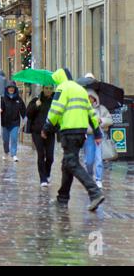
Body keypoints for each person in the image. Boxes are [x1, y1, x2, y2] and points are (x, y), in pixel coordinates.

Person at [42, 68, 105, 212]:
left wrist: (47, 127)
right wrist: (97, 133)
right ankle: (62, 198)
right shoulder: (81, 89)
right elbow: (91, 113)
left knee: (72, 163)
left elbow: (56, 110)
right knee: (67, 164)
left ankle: (95, 193)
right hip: (81, 132)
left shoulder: (62, 88)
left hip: (69, 131)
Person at [26, 85, 55, 186]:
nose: (48, 90)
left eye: (50, 88)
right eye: (46, 88)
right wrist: (35, 106)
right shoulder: (36, 100)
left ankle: (47, 174)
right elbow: (28, 114)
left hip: (50, 132)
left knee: (50, 157)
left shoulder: (55, 101)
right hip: (37, 132)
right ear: (43, 89)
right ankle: (43, 179)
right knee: (41, 154)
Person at [83, 89, 113, 189]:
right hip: (88, 137)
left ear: (95, 98)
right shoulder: (83, 109)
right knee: (89, 161)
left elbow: (110, 120)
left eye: (91, 97)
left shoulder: (101, 109)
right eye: (88, 97)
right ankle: (90, 176)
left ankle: (98, 179)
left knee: (98, 159)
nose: (90, 99)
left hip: (99, 136)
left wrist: (101, 120)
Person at [1, 81, 26, 162]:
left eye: (13, 88)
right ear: (7, 89)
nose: (11, 89)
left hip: (15, 123)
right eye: (10, 88)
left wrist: (25, 118)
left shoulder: (19, 99)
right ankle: (6, 152)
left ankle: (14, 154)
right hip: (5, 123)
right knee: (5, 140)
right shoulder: (3, 99)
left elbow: (23, 110)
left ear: (15, 89)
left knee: (14, 139)